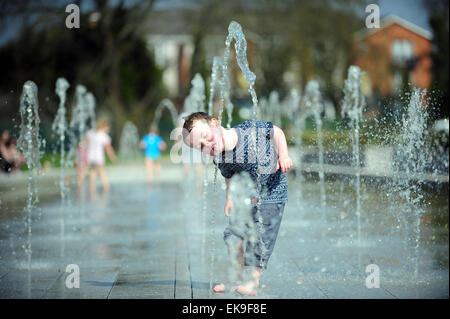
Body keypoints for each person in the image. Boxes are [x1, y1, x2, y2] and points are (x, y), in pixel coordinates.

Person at [182, 112, 293, 296]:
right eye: (201, 146)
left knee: (260, 237)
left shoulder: (248, 130)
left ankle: (253, 281)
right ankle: (236, 278)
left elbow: (277, 132)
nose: (207, 145)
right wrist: (229, 198)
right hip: (248, 196)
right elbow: (229, 177)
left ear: (214, 123)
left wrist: (283, 155)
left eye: (205, 137)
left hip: (272, 193)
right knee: (234, 236)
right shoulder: (219, 157)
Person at [85, 119, 117, 198]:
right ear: (104, 127)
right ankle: (106, 188)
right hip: (99, 156)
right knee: (102, 172)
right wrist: (113, 157)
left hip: (90, 156)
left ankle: (92, 191)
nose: (108, 130)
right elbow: (108, 148)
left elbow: (85, 143)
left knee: (93, 172)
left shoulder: (91, 133)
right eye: (108, 128)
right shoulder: (104, 136)